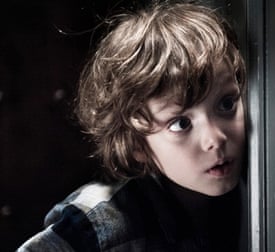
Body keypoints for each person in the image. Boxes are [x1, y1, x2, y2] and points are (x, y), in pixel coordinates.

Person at [17, 1, 247, 251]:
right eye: (180, 123)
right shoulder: (101, 222)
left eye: (226, 104)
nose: (215, 138)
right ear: (137, 143)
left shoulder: (244, 198)